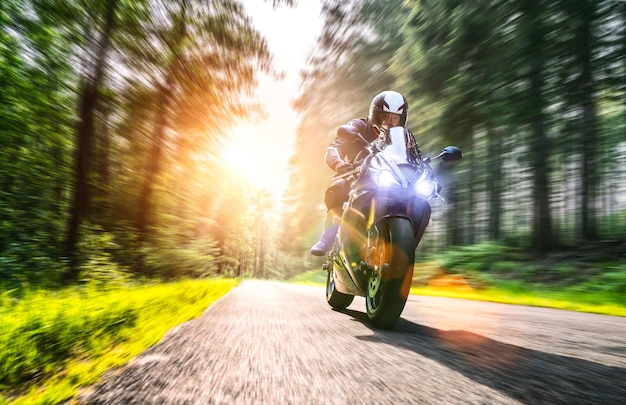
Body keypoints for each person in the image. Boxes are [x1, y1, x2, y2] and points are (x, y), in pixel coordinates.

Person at [310, 90, 413, 256]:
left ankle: (402, 238)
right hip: (357, 176)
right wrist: (340, 164)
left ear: (402, 119)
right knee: (338, 188)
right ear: (375, 115)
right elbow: (335, 148)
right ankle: (327, 237)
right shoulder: (358, 126)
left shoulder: (405, 138)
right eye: (385, 116)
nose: (389, 121)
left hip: (390, 179)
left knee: (417, 194)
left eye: (395, 118)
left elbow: (414, 157)